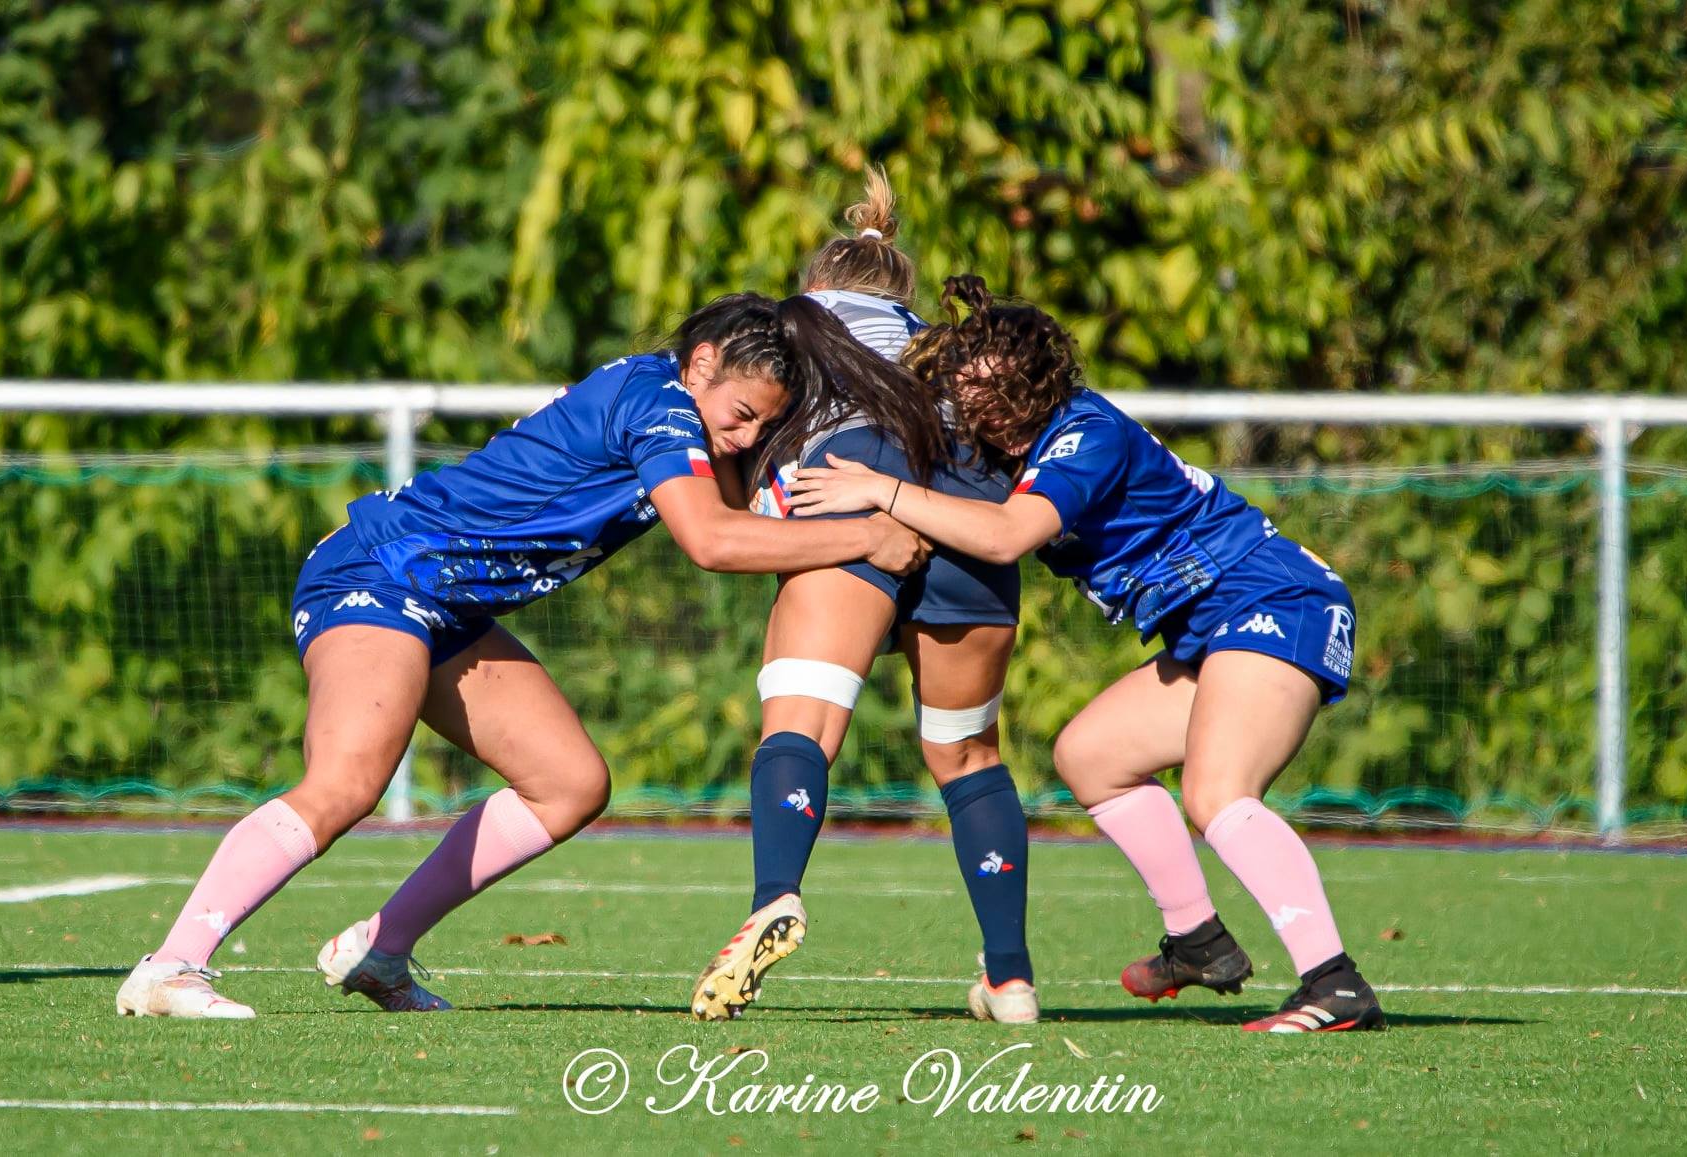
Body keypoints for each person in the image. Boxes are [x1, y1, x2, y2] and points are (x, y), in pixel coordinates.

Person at [114, 293, 929, 1019]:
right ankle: (171, 964)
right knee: (348, 780)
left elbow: (739, 507)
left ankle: (381, 948)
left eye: (761, 426)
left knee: (569, 782)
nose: (744, 437)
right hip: (380, 570)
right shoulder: (660, 405)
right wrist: (869, 535)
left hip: (447, 602)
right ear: (703, 362)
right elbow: (712, 540)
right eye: (743, 414)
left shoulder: (671, 400)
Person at [787, 275, 1386, 1033]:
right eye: (970, 393)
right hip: (1215, 626)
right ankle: (1199, 941)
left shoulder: (1084, 432)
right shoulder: (1016, 439)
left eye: (995, 395)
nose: (979, 411)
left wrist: (880, 491)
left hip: (1273, 599)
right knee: (1091, 756)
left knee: (1217, 792)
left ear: (1035, 386)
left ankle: (1334, 984)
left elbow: (1005, 536)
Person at [692, 173, 1038, 1024]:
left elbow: (733, 449)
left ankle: (775, 895)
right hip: (969, 500)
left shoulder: (785, 328)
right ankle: (1011, 978)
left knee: (803, 724)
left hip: (850, 480)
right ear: (901, 295)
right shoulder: (942, 344)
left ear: (816, 283)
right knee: (969, 756)